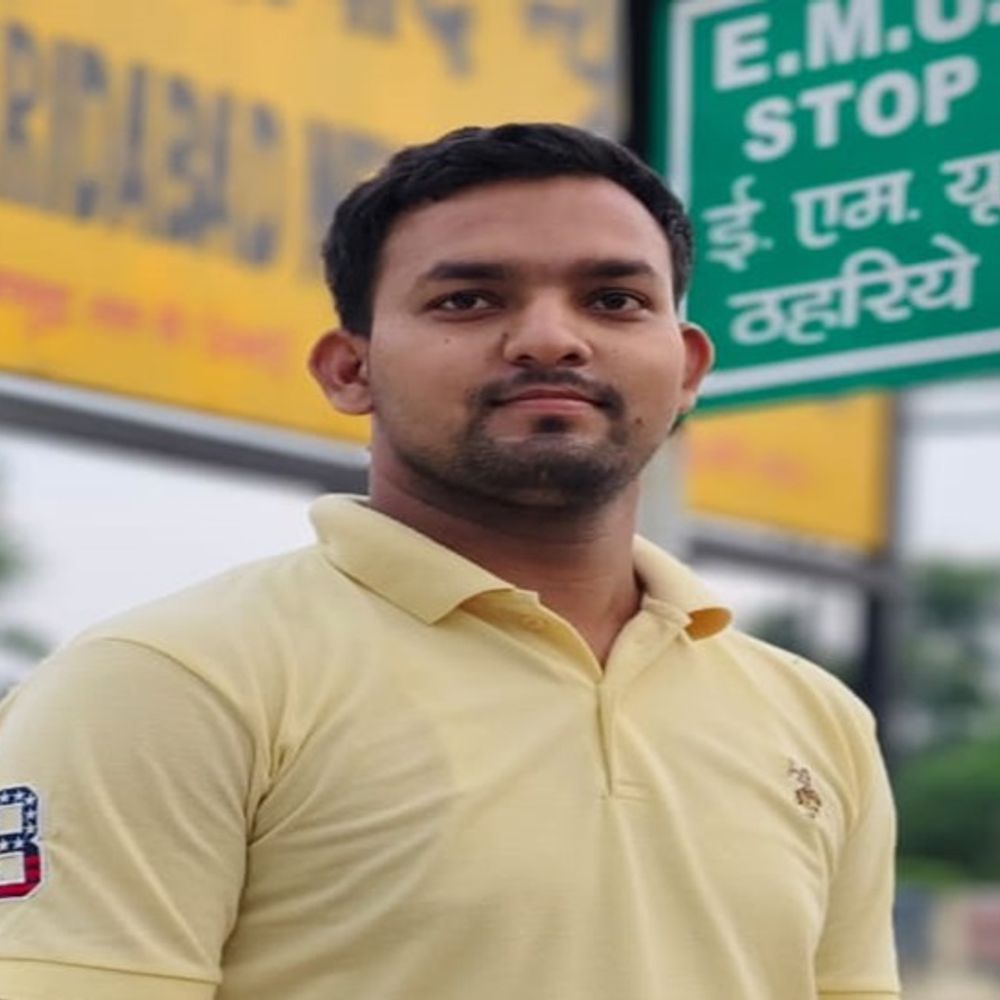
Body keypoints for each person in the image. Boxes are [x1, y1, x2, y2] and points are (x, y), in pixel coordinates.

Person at [0, 123, 899, 1000]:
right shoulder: (169, 682)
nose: (551, 340)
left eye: (614, 300)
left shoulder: (816, 719)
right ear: (350, 369)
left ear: (689, 367)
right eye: (468, 300)